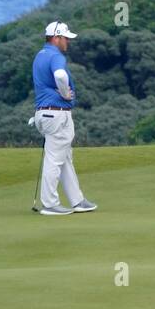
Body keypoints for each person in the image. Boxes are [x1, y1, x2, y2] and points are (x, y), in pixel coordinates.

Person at [31, 21, 96, 216]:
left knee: (64, 157)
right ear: (56, 38)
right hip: (57, 114)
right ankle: (50, 204)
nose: (67, 41)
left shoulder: (40, 55)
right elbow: (60, 75)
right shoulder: (55, 56)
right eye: (65, 38)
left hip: (44, 113)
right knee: (55, 159)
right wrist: (65, 93)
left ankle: (77, 200)